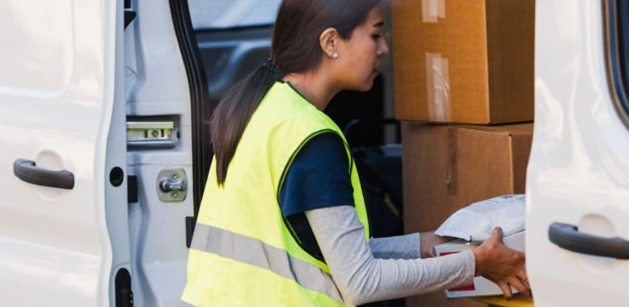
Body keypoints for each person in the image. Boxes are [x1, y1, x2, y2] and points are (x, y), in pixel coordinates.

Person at [181, 0, 528, 306]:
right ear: (331, 41)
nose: (384, 48)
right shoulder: (311, 138)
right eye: (375, 34)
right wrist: (476, 264)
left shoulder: (265, 108)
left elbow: (337, 254)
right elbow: (361, 282)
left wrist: (428, 244)